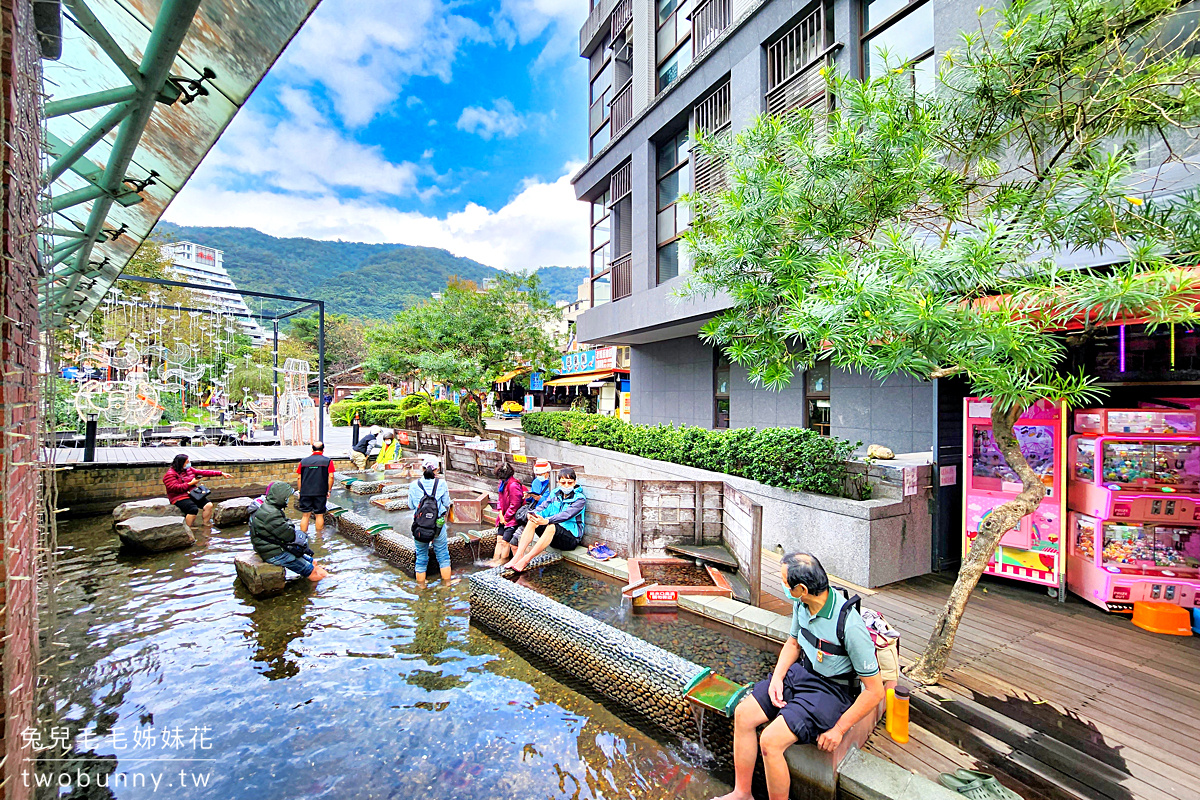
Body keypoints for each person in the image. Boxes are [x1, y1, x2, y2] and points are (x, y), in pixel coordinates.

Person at [714, 553, 885, 800]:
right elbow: (793, 643)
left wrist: (838, 729)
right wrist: (776, 680)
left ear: (801, 589)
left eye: (784, 582)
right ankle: (742, 793)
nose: (782, 586)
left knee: (771, 742)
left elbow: (875, 691)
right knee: (743, 714)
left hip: (831, 692)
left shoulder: (849, 625)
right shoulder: (801, 604)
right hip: (804, 673)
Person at [507, 467, 586, 571]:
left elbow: (566, 515)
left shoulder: (580, 499)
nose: (566, 485)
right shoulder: (555, 493)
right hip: (553, 537)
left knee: (551, 526)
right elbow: (544, 507)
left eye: (569, 482)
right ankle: (518, 556)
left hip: (571, 538)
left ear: (574, 482)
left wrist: (547, 520)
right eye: (563, 483)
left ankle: (526, 559)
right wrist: (533, 514)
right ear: (558, 482)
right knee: (532, 521)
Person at [249, 481, 329, 582]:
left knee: (313, 562)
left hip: (275, 546)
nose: (288, 500)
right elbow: (289, 535)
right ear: (280, 497)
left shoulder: (270, 508)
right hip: (274, 553)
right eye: (287, 497)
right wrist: (290, 524)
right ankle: (316, 591)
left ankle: (330, 577)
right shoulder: (272, 514)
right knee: (311, 571)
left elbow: (285, 528)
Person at [406, 454, 454, 586]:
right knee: (443, 556)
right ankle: (447, 585)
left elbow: (411, 506)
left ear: (422, 469)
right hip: (438, 525)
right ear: (437, 470)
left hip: (420, 526)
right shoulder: (442, 484)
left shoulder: (414, 485)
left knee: (421, 557)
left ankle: (421, 587)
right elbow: (446, 503)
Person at [162, 454, 230, 528]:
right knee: (193, 509)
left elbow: (203, 472)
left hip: (192, 494)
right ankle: (188, 528)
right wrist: (190, 484)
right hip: (179, 497)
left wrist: (220, 473)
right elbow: (174, 488)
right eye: (187, 462)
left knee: (208, 505)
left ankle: (206, 524)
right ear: (181, 463)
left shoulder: (189, 470)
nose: (189, 463)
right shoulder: (170, 474)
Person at [489, 462, 526, 566]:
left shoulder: (513, 485)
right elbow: (500, 500)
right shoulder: (502, 483)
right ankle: (494, 559)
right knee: (499, 539)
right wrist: (500, 514)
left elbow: (515, 504)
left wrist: (506, 517)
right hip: (503, 516)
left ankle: (502, 561)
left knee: (506, 542)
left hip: (512, 519)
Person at [296, 441, 335, 534]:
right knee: (319, 515)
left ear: (312, 449)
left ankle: (303, 536)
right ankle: (319, 538)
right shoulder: (328, 461)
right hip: (320, 492)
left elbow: (299, 477)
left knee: (305, 515)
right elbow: (331, 476)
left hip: (305, 492)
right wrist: (329, 490)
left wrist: (300, 491)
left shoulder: (303, 461)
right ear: (323, 450)